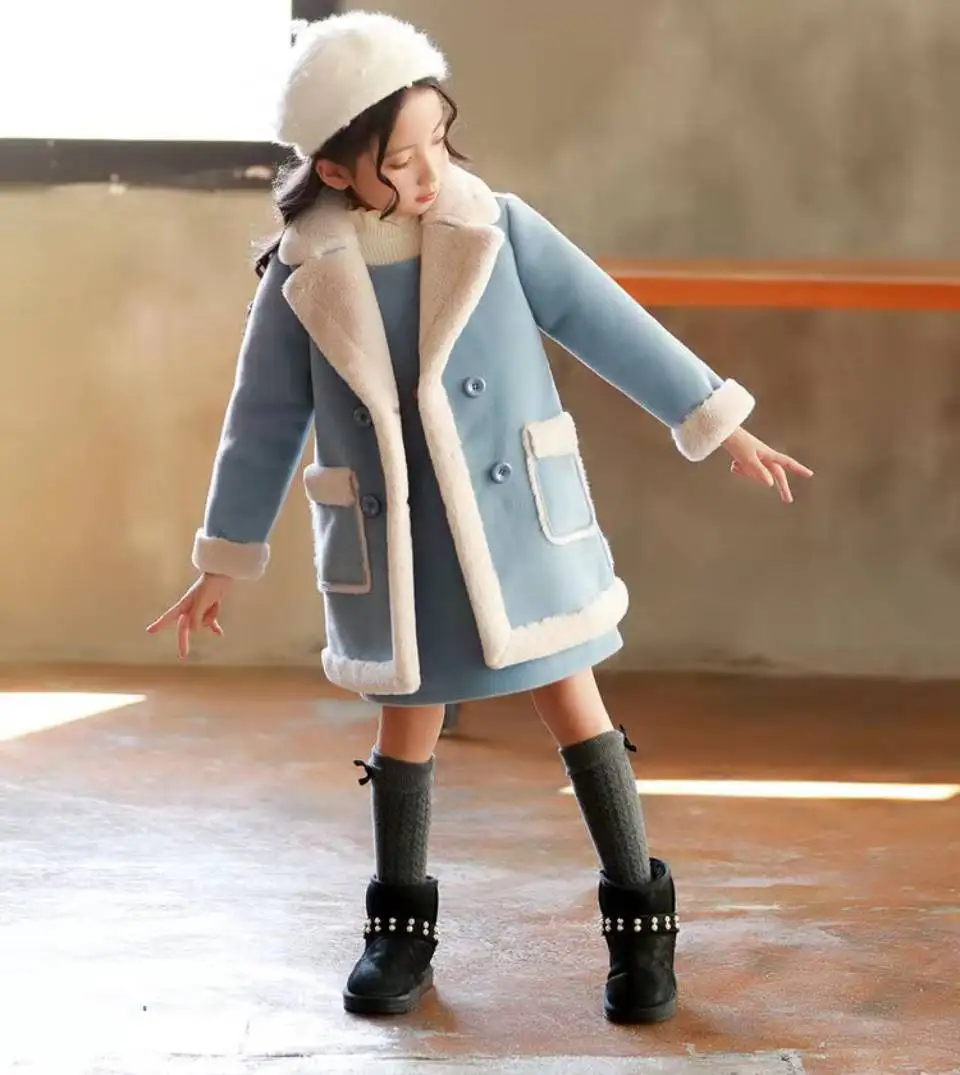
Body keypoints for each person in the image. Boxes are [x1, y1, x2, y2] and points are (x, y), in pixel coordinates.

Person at [146, 10, 812, 1024]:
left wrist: (717, 420)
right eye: (400, 160)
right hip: (399, 542)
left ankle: (640, 924)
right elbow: (263, 419)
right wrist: (223, 559)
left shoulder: (495, 226)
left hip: (514, 528)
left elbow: (607, 322)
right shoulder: (300, 272)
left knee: (575, 705)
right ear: (335, 170)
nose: (429, 172)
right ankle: (398, 932)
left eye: (438, 142)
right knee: (407, 721)